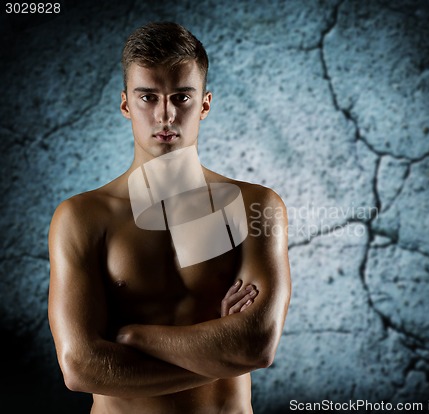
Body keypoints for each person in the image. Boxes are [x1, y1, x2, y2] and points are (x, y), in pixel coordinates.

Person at [47, 21, 291, 413]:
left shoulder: (256, 207)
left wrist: (135, 337)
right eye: (148, 97)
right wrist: (224, 356)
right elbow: (81, 368)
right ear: (126, 104)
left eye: (181, 97)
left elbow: (257, 344)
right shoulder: (82, 217)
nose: (165, 114)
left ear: (205, 104)